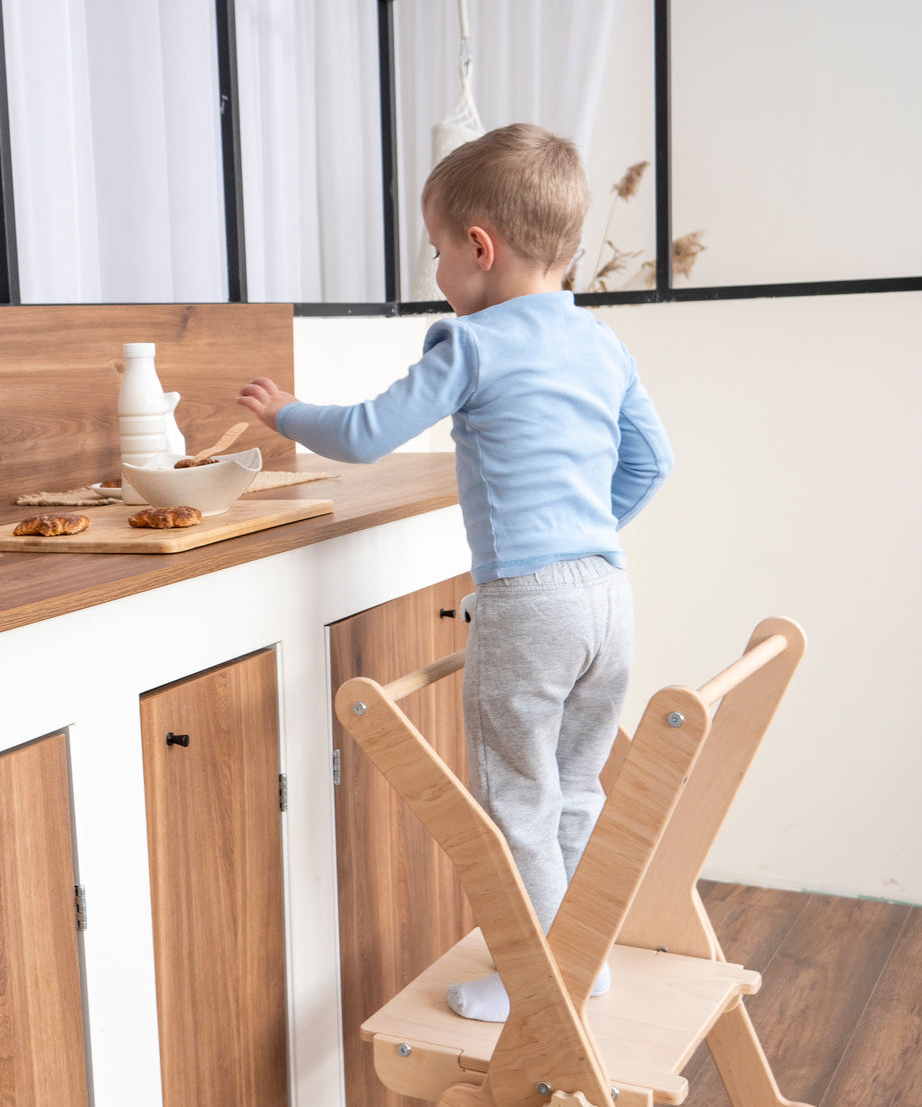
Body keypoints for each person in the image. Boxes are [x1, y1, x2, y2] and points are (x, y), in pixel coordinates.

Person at [237, 122, 673, 1022]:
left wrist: (284, 413)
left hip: (529, 606)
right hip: (608, 596)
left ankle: (539, 988)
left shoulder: (469, 345)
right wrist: (583, 532)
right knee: (576, 790)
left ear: (480, 247)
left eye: (437, 250)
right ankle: (580, 959)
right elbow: (650, 464)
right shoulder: (602, 345)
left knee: (515, 803)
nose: (436, 270)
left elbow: (362, 434)